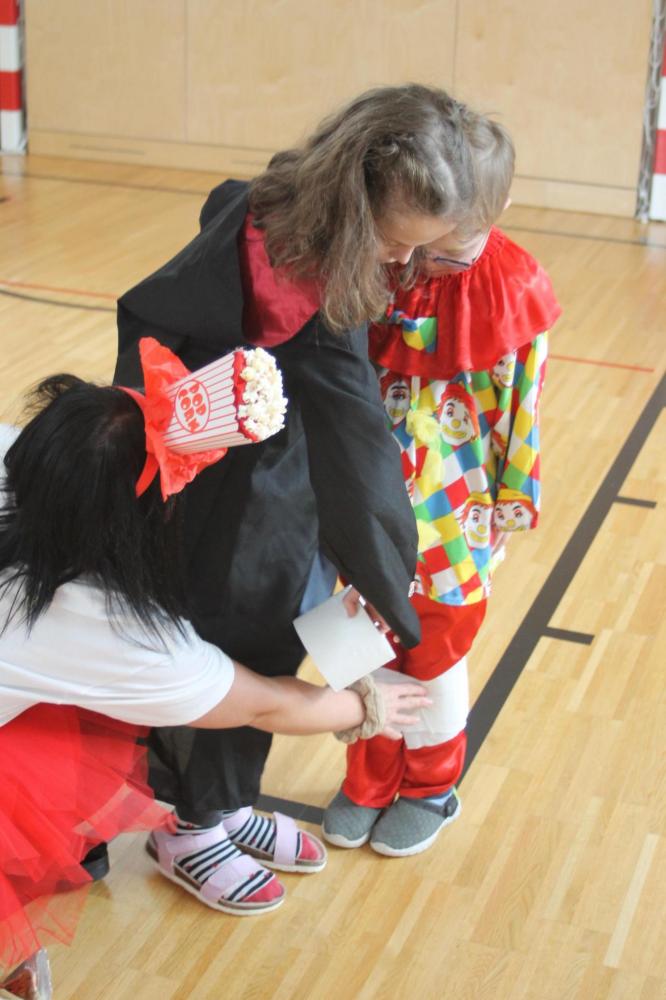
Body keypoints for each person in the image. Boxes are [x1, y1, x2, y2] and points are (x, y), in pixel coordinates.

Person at [113, 84, 479, 900]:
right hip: (226, 481)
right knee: (224, 635)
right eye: (394, 245)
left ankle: (226, 805)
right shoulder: (309, 282)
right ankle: (189, 825)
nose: (398, 265)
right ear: (356, 208)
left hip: (265, 470)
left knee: (265, 630)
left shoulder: (271, 209)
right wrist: (390, 590)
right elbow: (357, 441)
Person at [0, 362, 431, 993]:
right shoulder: (110, 633)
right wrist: (367, 705)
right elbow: (261, 704)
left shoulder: (18, 467)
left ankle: (218, 808)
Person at [322, 109, 562, 856]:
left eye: (449, 255)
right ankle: (366, 777)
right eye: (421, 250)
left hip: (456, 507)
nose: (425, 267)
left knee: (435, 649)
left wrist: (511, 502)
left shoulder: (515, 286)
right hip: (366, 485)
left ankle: (431, 785)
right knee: (356, 633)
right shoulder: (395, 255)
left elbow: (522, 411)